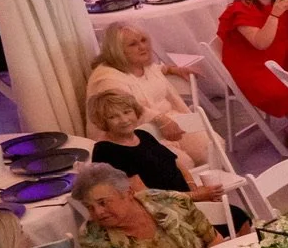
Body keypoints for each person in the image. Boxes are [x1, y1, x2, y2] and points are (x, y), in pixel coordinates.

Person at [87, 25, 210, 167]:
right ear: (117, 50)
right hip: (134, 132)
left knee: (208, 148)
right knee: (181, 164)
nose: (142, 47)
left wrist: (171, 69)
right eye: (133, 44)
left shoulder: (142, 64)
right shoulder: (107, 78)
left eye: (143, 40)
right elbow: (123, 111)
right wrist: (160, 119)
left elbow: (155, 70)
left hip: (171, 120)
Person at [86, 91, 226, 206]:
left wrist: (193, 189)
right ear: (103, 122)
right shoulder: (106, 151)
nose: (124, 120)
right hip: (159, 210)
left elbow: (176, 164)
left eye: (127, 112)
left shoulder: (143, 135)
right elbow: (143, 195)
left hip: (184, 200)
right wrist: (194, 196)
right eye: (113, 117)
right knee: (228, 216)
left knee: (235, 214)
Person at [217, 0, 288, 122]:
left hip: (286, 55)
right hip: (253, 65)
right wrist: (275, 14)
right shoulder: (240, 10)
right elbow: (261, 43)